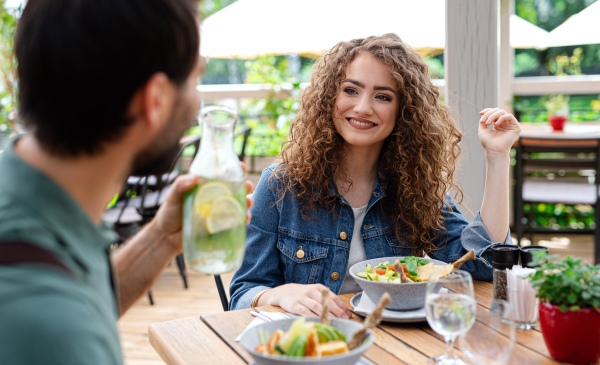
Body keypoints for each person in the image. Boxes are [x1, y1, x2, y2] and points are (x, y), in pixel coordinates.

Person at [0, 0, 252, 363]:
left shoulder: (34, 211)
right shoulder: (51, 330)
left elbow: (82, 300)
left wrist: (160, 240)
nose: (198, 99)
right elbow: (65, 320)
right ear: (156, 100)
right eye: (196, 77)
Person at [229, 33, 521, 318]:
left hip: (395, 343)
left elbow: (484, 264)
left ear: (404, 111)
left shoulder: (413, 187)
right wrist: (280, 294)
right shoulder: (281, 184)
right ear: (330, 96)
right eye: (351, 90)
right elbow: (242, 295)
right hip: (315, 345)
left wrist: (497, 158)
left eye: (382, 96)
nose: (363, 107)